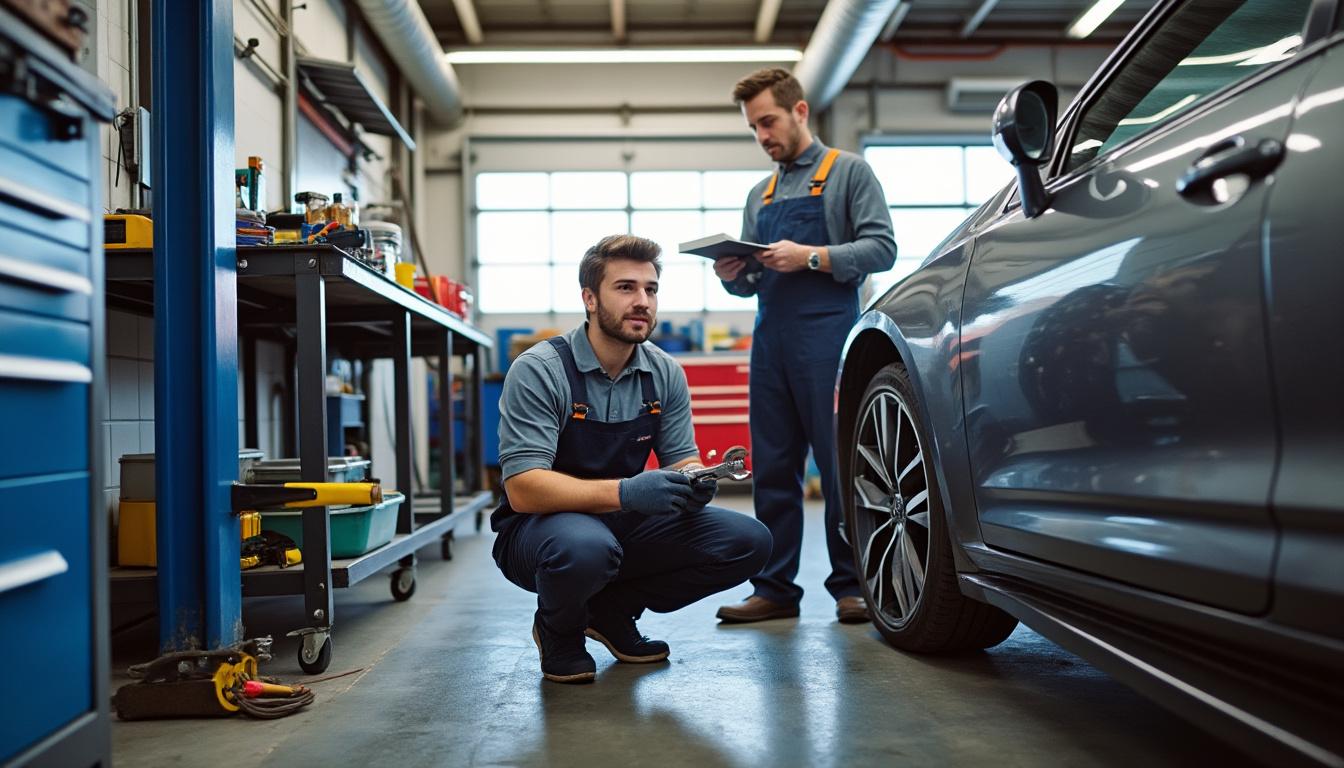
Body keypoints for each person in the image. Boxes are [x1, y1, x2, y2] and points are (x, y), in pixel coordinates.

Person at [490, 234, 773, 684]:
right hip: (541, 528)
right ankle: (559, 630)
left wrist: (696, 479)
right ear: (589, 298)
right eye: (625, 288)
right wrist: (627, 491)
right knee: (586, 549)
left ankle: (610, 611)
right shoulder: (541, 370)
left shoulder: (663, 371)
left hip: (622, 519)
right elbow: (523, 488)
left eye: (651, 289)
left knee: (748, 541)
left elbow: (683, 459)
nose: (642, 301)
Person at [713, 68, 896, 625]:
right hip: (770, 341)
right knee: (772, 469)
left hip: (830, 338)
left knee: (839, 468)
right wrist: (730, 274)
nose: (762, 135)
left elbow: (882, 248)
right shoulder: (759, 193)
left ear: (799, 112)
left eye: (768, 121)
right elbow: (750, 282)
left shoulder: (848, 174)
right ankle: (773, 589)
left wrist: (812, 255)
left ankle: (853, 585)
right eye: (753, 127)